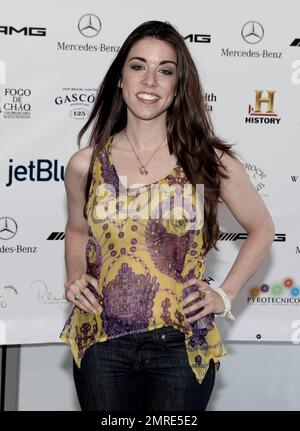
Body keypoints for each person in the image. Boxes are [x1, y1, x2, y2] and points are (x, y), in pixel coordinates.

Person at [59, 20, 275, 412]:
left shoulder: (208, 160)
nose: (150, 80)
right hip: (101, 342)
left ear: (178, 86)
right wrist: (76, 275)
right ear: (120, 79)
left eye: (165, 70)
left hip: (180, 344)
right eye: (138, 66)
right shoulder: (84, 165)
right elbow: (77, 231)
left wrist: (224, 295)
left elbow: (262, 228)